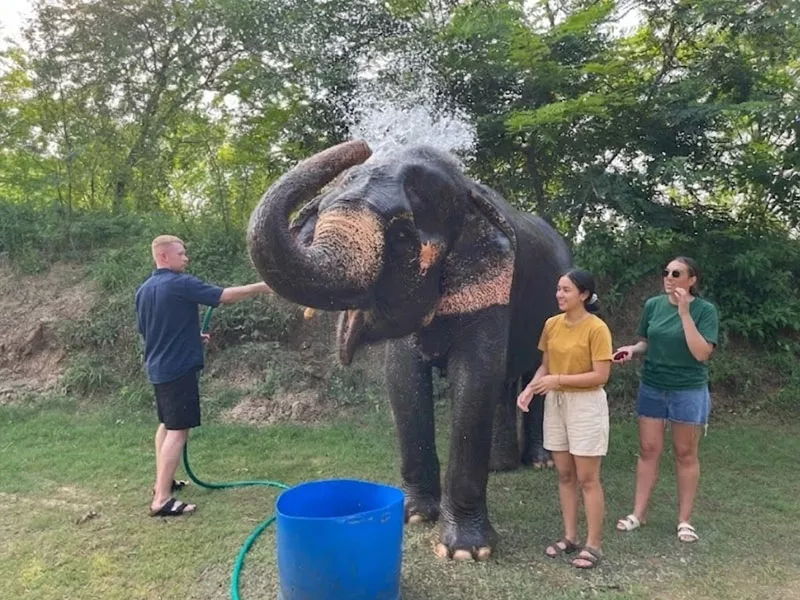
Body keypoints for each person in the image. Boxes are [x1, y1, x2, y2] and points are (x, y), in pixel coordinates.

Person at [135, 235, 273, 517]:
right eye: (181, 254)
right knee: (178, 430)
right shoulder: (179, 284)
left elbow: (151, 329)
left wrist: (191, 337)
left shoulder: (145, 289)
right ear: (164, 257)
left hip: (158, 367)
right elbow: (224, 296)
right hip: (178, 369)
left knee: (166, 424)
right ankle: (161, 499)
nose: (186, 259)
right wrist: (264, 287)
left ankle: (164, 481)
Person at [613, 256, 718, 543]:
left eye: (676, 273)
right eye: (666, 272)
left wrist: (685, 313)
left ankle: (684, 521)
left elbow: (702, 353)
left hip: (688, 389)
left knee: (685, 453)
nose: (669, 277)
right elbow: (647, 341)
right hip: (653, 386)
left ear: (692, 280)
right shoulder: (653, 306)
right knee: (648, 449)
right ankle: (638, 513)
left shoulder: (705, 311)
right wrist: (633, 350)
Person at [517, 269, 613, 570]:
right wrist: (530, 389)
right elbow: (545, 366)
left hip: (586, 405)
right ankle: (570, 537)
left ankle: (593, 545)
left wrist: (558, 380)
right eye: (558, 289)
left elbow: (601, 375)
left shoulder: (596, 329)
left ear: (583, 295)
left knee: (587, 478)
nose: (559, 295)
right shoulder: (551, 325)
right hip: (556, 404)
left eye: (566, 290)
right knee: (565, 475)